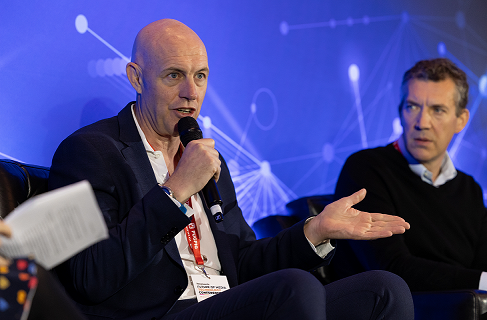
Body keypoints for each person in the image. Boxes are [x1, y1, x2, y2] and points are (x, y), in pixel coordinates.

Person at [48, 19, 413, 320]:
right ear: (137, 78)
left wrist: (314, 231)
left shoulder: (206, 158)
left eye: (201, 75)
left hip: (223, 303)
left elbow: (243, 262)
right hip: (160, 314)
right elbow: (89, 277)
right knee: (295, 288)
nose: (191, 92)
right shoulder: (90, 153)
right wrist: (173, 192)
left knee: (384, 290)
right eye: (174, 76)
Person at [333, 58, 487, 292]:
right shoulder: (366, 169)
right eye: (413, 106)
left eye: (437, 110)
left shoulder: (469, 189)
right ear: (401, 111)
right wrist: (481, 282)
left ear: (461, 120)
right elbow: (391, 268)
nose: (422, 122)